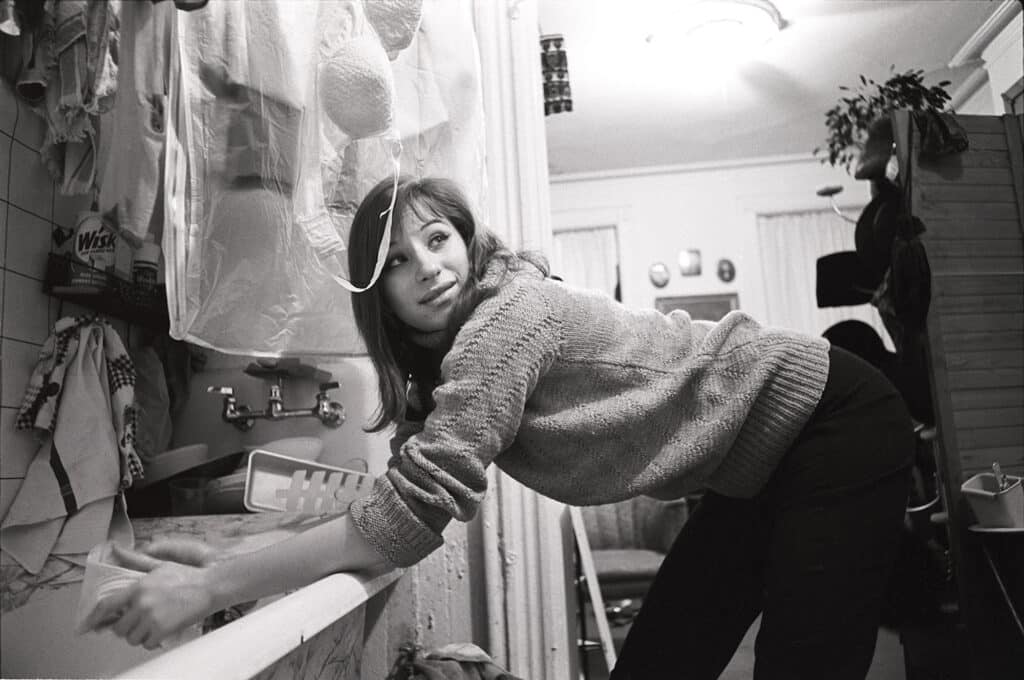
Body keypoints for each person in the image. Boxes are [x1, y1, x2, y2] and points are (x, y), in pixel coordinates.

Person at [90, 176, 915, 679]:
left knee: (804, 669)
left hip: (828, 418)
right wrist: (236, 559)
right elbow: (392, 503)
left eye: (437, 239)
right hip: (754, 469)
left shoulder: (504, 328)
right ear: (378, 298)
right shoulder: (453, 366)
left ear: (466, 238)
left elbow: (398, 529)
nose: (429, 268)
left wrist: (209, 587)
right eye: (399, 264)